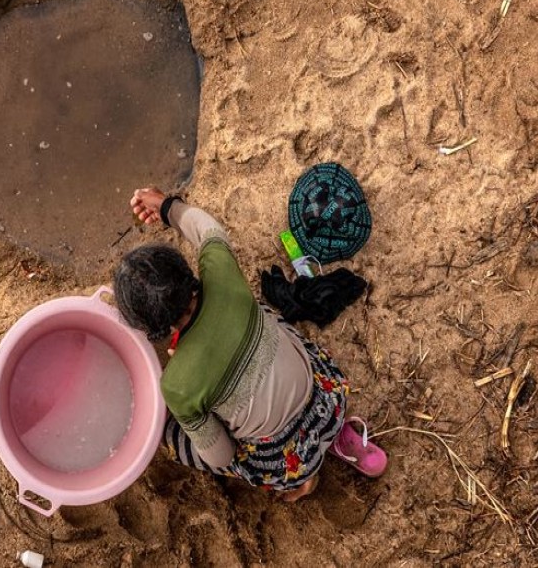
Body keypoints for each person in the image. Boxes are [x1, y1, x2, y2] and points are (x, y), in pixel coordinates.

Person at [114, 187, 386, 500]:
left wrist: (190, 375)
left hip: (290, 462)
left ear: (150, 328)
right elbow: (207, 228)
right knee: (263, 315)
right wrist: (166, 206)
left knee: (171, 434)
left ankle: (301, 482)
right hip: (328, 398)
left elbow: (221, 457)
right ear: (184, 271)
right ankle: (340, 436)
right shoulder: (222, 273)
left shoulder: (177, 386)